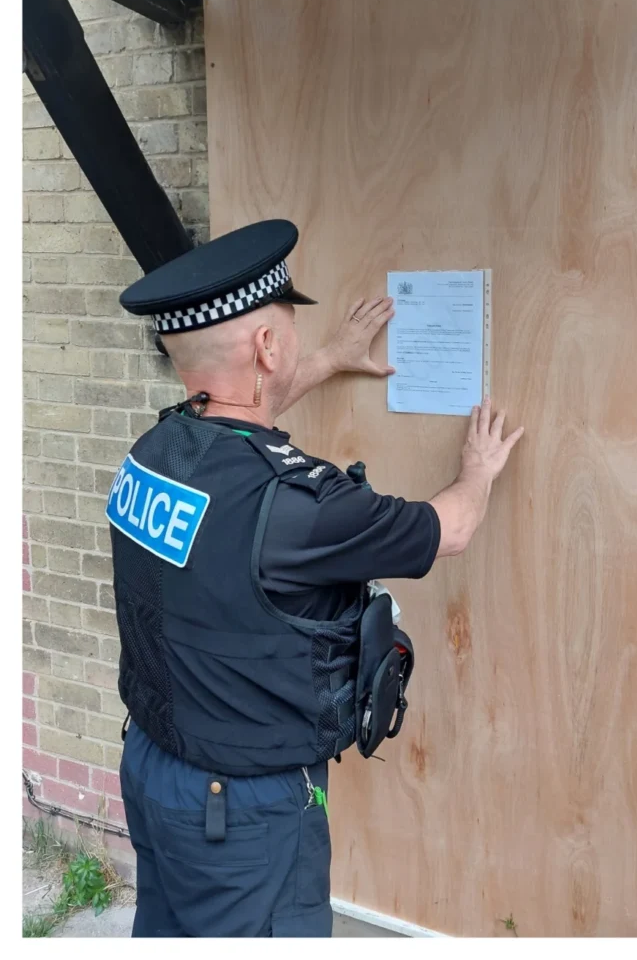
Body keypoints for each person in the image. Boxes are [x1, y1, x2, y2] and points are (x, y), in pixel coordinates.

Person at [106, 219, 523, 936]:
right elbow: (449, 527)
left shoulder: (154, 451)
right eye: (290, 324)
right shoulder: (304, 510)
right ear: (268, 346)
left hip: (152, 769)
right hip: (241, 815)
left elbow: (238, 425)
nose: (296, 335)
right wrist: (478, 472)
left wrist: (330, 358)